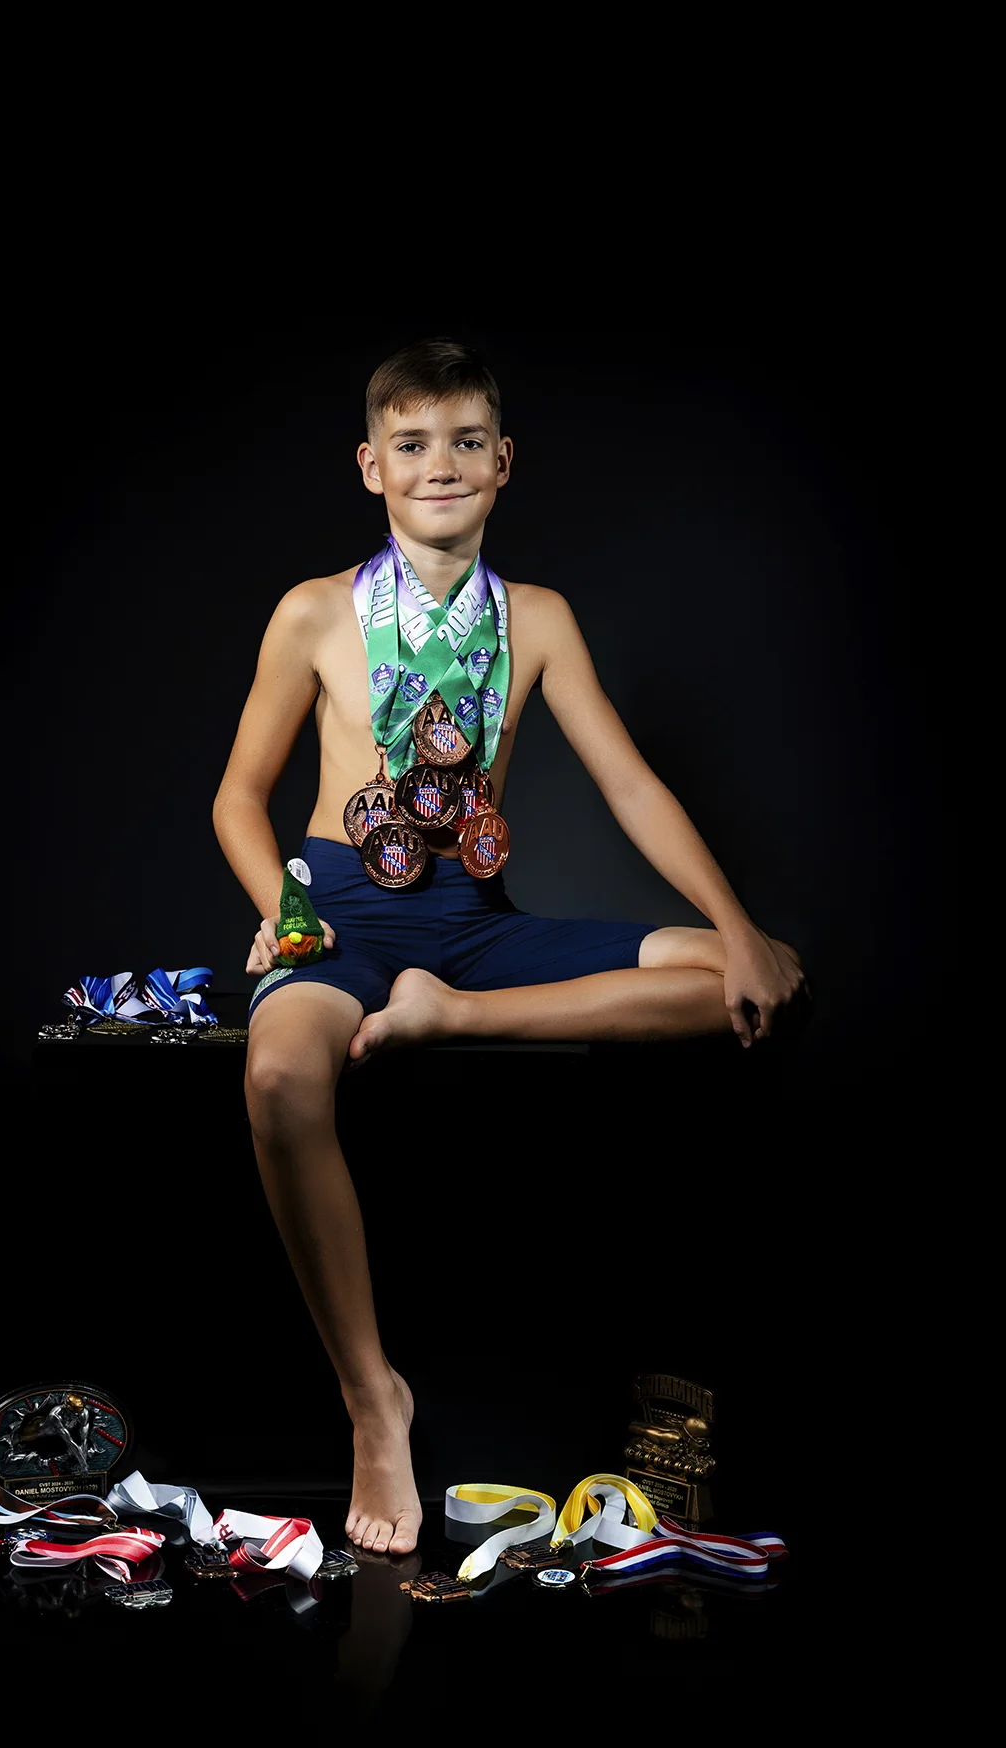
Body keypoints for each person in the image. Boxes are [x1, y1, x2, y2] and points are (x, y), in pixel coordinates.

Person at [212, 339, 810, 1559]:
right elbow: (237, 795)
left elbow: (631, 786)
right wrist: (283, 904)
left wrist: (741, 929)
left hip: (475, 930)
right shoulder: (318, 611)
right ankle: (375, 1395)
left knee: (739, 978)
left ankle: (456, 1017)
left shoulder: (534, 619)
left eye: (469, 442)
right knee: (278, 1073)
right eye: (416, 445)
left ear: (504, 462)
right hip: (343, 912)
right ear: (374, 466)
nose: (444, 465)